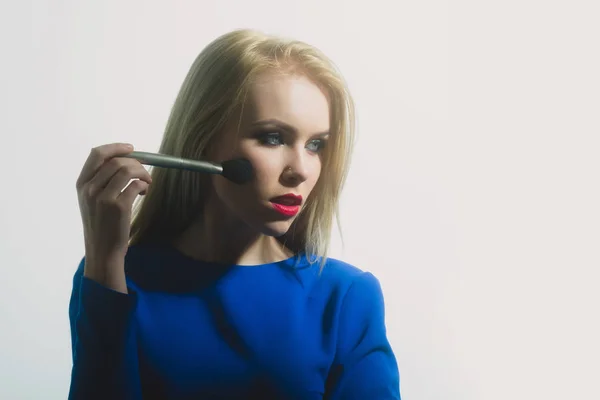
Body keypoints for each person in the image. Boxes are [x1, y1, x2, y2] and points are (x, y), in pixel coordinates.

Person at [69, 29, 401, 399]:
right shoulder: (115, 278)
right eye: (273, 138)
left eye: (315, 145)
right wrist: (104, 260)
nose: (301, 170)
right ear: (203, 139)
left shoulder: (344, 297)